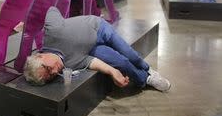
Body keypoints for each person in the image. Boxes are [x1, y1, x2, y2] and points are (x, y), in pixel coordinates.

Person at [23, 7, 171, 92]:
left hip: (99, 27)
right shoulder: (69, 66)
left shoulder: (52, 31)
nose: (55, 72)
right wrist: (113, 72)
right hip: (91, 48)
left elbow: (51, 9)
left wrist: (34, 22)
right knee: (121, 62)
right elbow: (91, 61)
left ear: (39, 56)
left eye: (48, 69)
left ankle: (148, 68)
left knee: (130, 54)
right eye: (51, 76)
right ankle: (145, 79)